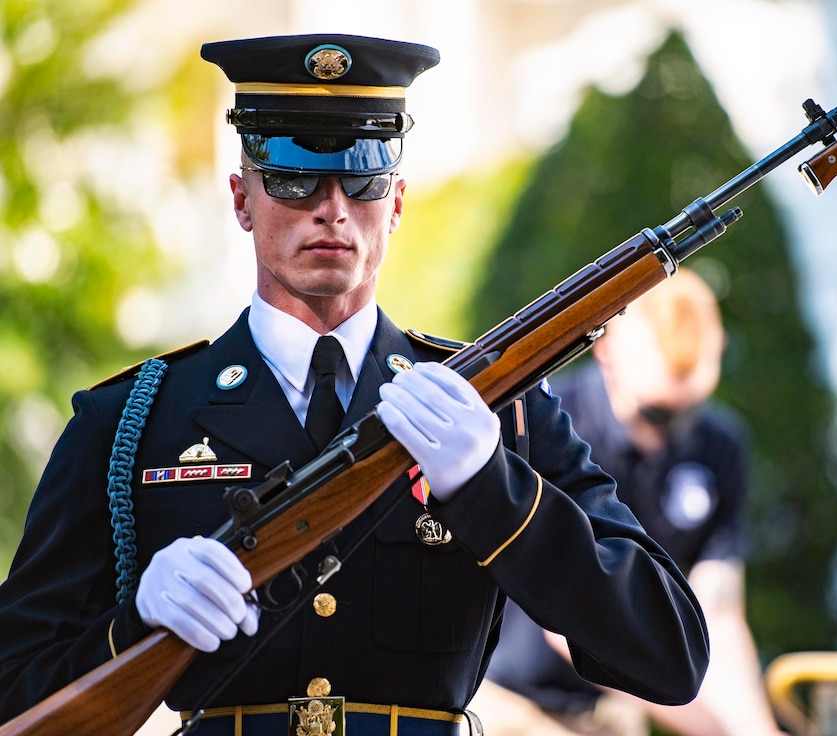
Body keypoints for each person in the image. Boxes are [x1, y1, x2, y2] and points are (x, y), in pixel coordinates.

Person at [0, 34, 710, 735]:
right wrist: (135, 628)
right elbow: (15, 694)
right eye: (292, 175)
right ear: (242, 199)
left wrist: (493, 489)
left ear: (395, 202)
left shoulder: (492, 409)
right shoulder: (133, 422)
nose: (331, 207)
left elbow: (670, 654)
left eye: (362, 178)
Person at [473, 269, 783, 736]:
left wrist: (756, 727)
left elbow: (717, 607)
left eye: (686, 413)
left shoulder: (720, 444)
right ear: (607, 350)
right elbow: (567, 616)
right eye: (652, 412)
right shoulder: (546, 425)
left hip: (617, 708)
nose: (663, 437)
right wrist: (717, 728)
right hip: (512, 701)